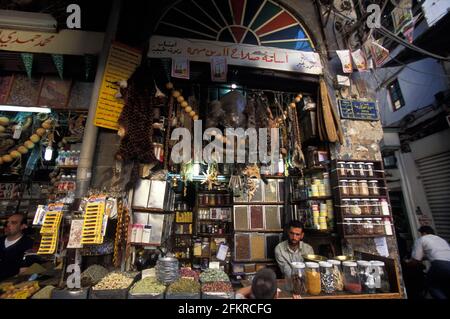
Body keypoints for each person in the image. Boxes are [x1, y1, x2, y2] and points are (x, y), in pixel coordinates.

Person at [407, 226, 450, 299]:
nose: (420, 235)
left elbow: (416, 260)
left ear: (424, 233)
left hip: (440, 265)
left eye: (421, 233)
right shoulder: (441, 239)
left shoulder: (422, 239)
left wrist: (407, 263)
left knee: (432, 286)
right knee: (445, 288)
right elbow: (439, 254)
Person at [0, 213, 34, 281]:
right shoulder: (0, 241)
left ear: (23, 226)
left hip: (15, 286)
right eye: (7, 222)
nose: (8, 225)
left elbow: (25, 270)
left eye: (13, 223)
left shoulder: (29, 244)